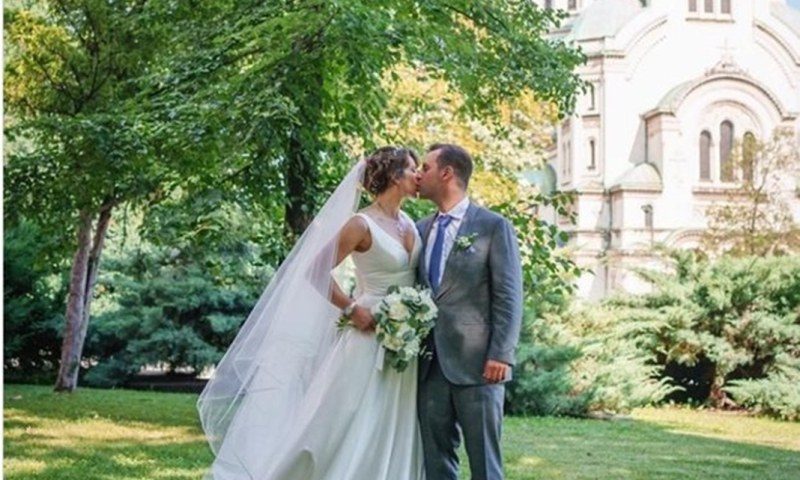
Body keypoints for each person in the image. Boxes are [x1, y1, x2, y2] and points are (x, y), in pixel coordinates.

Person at [198, 146, 425, 479]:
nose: (419, 176)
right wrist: (352, 308)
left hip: (403, 338)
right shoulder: (361, 224)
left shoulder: (409, 223)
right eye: (413, 169)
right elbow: (316, 270)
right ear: (394, 176)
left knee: (393, 413)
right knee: (349, 415)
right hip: (367, 332)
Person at [416, 143, 523, 480]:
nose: (418, 174)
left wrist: (501, 354)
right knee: (436, 461)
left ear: (447, 173)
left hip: (480, 365)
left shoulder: (493, 226)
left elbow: (509, 295)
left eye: (426, 168)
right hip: (429, 366)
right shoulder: (419, 229)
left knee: (485, 463)